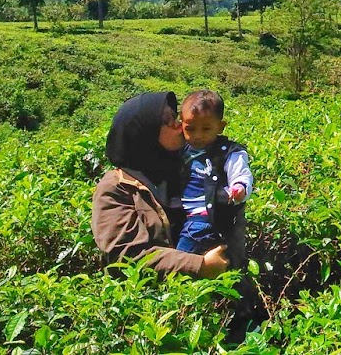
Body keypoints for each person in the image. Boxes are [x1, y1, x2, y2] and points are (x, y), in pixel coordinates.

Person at [92, 91, 229, 278]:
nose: (179, 125)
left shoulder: (186, 168)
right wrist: (200, 265)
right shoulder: (116, 187)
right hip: (156, 302)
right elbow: (126, 256)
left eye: (175, 117)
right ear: (146, 132)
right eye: (167, 121)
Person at [174, 90, 252, 269]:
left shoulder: (228, 152)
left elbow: (241, 174)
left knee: (181, 263)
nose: (198, 135)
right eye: (190, 129)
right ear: (181, 123)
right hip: (181, 217)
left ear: (221, 126)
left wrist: (239, 188)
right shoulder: (180, 149)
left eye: (206, 128)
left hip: (204, 221)